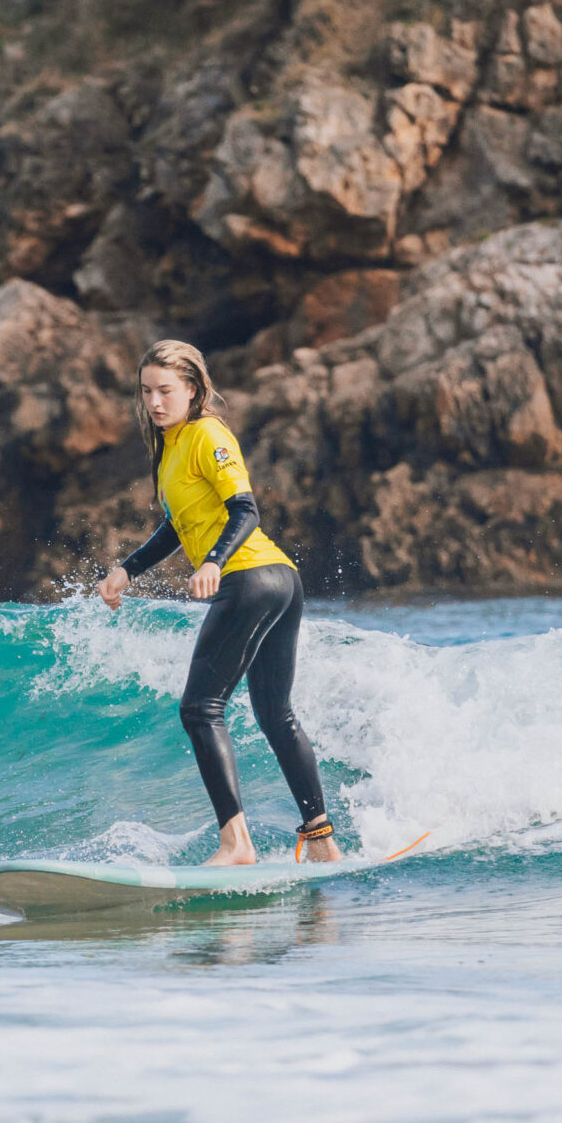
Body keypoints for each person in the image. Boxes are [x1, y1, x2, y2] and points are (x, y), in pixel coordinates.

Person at [97, 340, 342, 867]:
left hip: (251, 577)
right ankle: (321, 840)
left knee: (200, 709)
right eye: (146, 392)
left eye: (166, 390)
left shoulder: (208, 434)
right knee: (276, 715)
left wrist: (212, 562)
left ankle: (237, 845)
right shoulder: (171, 449)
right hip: (281, 580)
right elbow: (173, 528)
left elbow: (245, 509)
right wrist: (126, 569)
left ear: (193, 389)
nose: (155, 402)